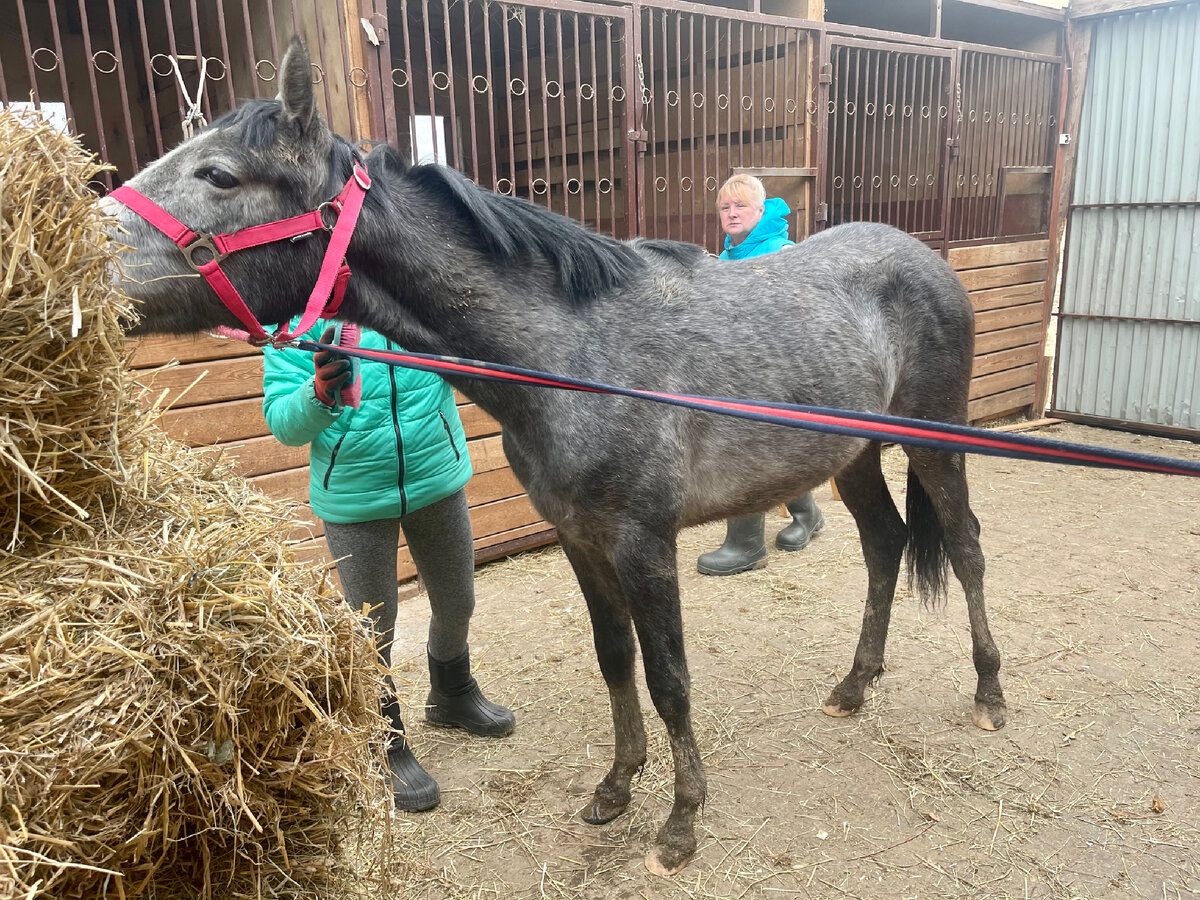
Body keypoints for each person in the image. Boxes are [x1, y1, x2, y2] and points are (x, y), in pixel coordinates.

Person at [262, 319, 515, 812]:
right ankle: (383, 736)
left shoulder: (405, 295)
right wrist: (318, 393)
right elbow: (282, 423)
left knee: (457, 601)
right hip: (355, 496)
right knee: (373, 628)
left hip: (435, 477)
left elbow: (468, 359)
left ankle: (452, 693)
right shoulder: (296, 320)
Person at [697, 174, 825, 576]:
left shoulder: (782, 252)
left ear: (760, 210)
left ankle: (746, 545)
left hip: (776, 371)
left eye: (740, 206)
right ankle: (809, 516)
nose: (732, 213)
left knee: (745, 447)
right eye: (724, 207)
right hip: (737, 371)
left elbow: (802, 317)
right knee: (770, 447)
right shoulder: (728, 255)